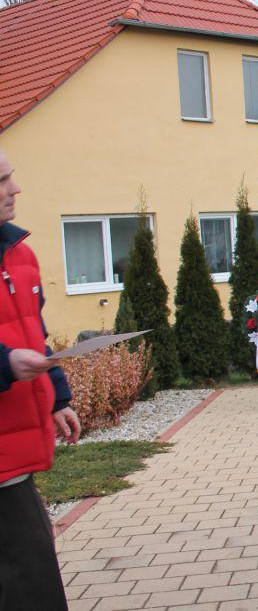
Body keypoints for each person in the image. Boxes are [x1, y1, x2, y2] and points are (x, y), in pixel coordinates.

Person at [0, 148, 80, 610]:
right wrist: (5, 364)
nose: (15, 188)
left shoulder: (20, 253)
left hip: (15, 456)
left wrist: (57, 399)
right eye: (2, 180)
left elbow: (33, 334)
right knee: (32, 582)